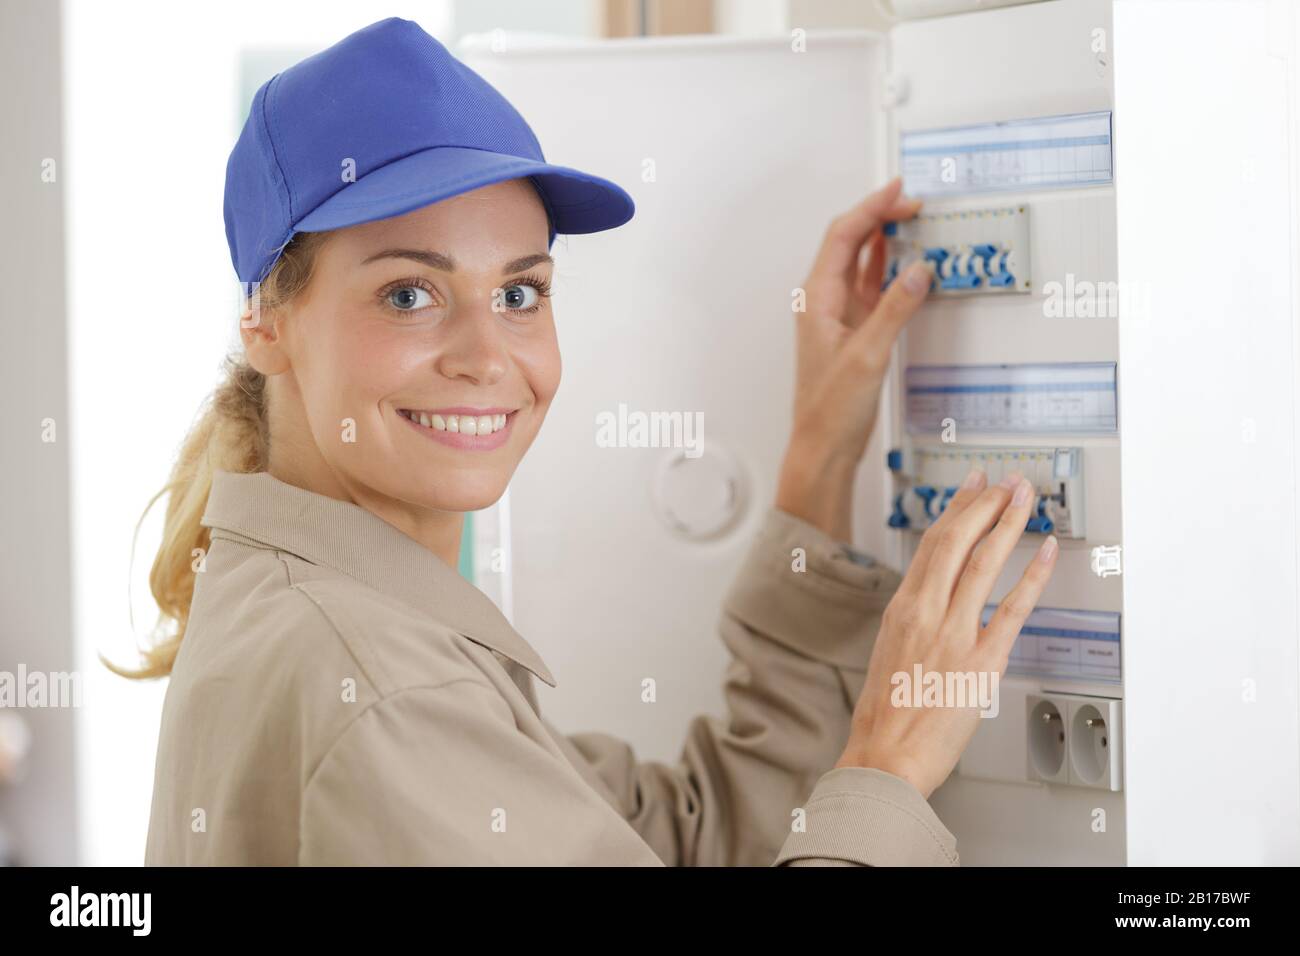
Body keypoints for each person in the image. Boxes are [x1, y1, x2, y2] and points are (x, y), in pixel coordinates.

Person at [121, 17, 1057, 866]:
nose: (488, 359)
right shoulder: (383, 692)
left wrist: (821, 451)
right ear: (266, 322)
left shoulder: (351, 626)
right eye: (410, 294)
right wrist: (889, 764)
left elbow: (700, 833)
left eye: (520, 292)